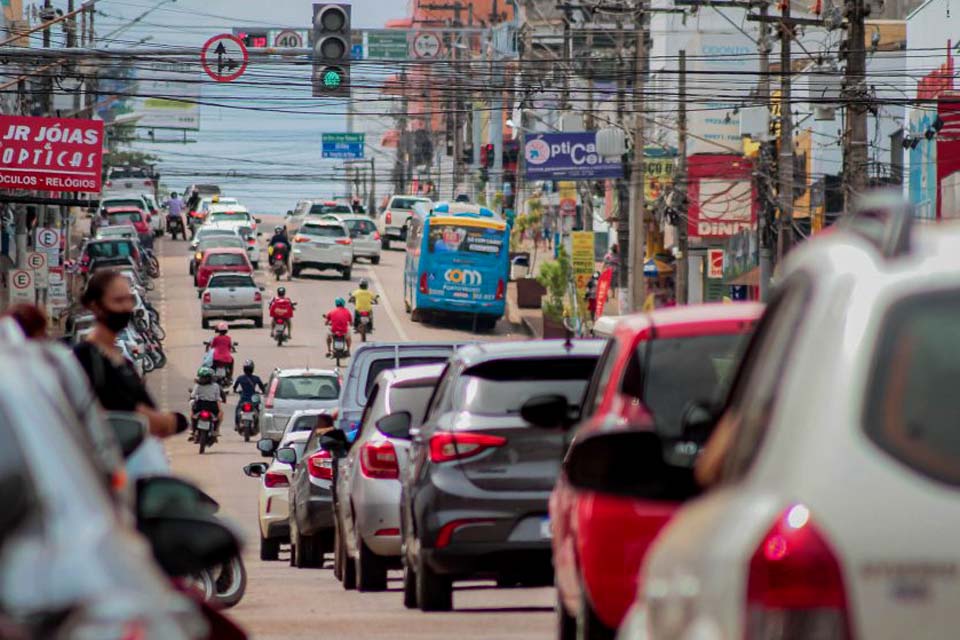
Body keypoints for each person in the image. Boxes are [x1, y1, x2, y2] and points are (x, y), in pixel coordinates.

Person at [72, 271, 187, 438]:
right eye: (118, 301)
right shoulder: (87, 358)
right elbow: (135, 414)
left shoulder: (123, 362)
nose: (126, 307)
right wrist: (171, 421)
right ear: (95, 305)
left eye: (129, 300)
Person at [189, 366, 223, 441]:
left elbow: (193, 395)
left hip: (200, 405)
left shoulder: (197, 386)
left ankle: (192, 429)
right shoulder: (215, 386)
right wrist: (219, 409)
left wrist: (192, 398)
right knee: (220, 415)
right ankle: (216, 430)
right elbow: (218, 398)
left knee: (192, 412)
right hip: (212, 406)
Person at [232, 359, 265, 428]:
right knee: (258, 409)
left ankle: (236, 424)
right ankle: (258, 424)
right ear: (252, 369)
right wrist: (263, 392)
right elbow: (262, 388)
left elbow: (235, 387)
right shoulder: (256, 378)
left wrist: (236, 391)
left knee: (238, 409)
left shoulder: (240, 378)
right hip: (253, 398)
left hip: (243, 398)